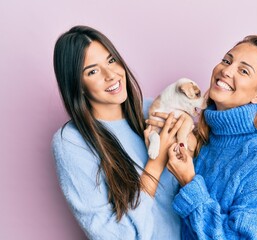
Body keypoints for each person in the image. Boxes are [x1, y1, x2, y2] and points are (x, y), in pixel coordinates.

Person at [165, 35, 257, 239]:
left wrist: (189, 182)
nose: (226, 70)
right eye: (227, 60)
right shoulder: (204, 138)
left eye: (244, 71)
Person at [52, 25, 185, 239]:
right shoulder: (71, 142)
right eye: (93, 71)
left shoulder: (153, 111)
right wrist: (156, 163)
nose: (111, 75)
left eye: (111, 60)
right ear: (78, 84)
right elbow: (113, 235)